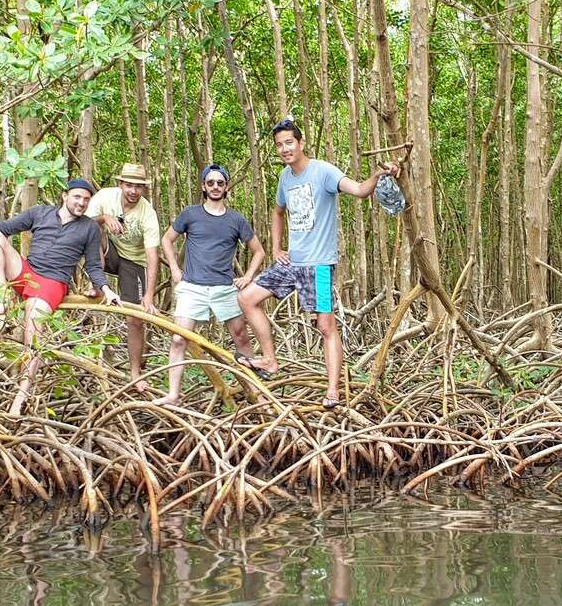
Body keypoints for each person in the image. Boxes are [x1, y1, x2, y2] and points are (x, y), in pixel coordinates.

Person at [237, 120, 399, 408]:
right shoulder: (285, 179)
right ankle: (270, 359)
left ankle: (333, 390)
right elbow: (278, 212)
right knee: (247, 297)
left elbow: (360, 190)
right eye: (279, 145)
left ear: (300, 143)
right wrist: (276, 247)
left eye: (289, 142)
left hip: (319, 265)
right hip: (292, 262)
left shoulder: (323, 171)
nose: (284, 149)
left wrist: (378, 176)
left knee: (326, 326)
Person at [0, 178, 120, 415]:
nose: (81, 203)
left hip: (53, 283)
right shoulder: (40, 213)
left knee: (33, 333)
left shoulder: (89, 228)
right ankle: (0, 300)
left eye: (86, 199)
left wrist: (105, 289)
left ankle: (21, 398)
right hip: (27, 274)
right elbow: (4, 227)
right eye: (77, 197)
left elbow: (94, 265)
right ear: (65, 196)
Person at [154, 163, 265, 408]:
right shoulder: (190, 214)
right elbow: (166, 239)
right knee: (179, 340)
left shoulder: (236, 219)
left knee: (241, 337)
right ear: (204, 186)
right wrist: (174, 269)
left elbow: (258, 251)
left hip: (224, 288)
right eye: (211, 183)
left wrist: (247, 276)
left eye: (220, 183)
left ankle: (258, 394)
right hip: (192, 287)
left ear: (226, 188)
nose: (215, 187)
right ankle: (173, 395)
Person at [86, 162, 161, 393]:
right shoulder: (105, 197)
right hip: (109, 253)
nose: (133, 191)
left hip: (135, 262)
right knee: (91, 229)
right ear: (121, 184)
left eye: (138, 187)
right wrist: (103, 218)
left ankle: (135, 373)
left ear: (144, 189)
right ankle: (97, 285)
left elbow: (152, 256)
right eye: (129, 185)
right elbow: (81, 227)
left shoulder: (148, 214)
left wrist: (149, 295)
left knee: (135, 319)